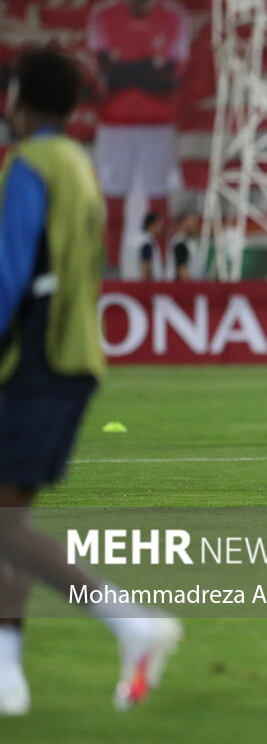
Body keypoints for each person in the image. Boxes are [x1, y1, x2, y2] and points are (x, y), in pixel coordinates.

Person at [0, 48, 180, 715]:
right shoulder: (80, 164)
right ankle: (8, 676)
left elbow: (10, 271)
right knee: (8, 516)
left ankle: (130, 621)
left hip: (36, 357)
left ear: (16, 98)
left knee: (5, 525)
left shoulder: (29, 166)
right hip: (75, 354)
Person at [88, 0, 189, 276]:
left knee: (160, 199)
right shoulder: (103, 16)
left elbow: (170, 77)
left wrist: (125, 67)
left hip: (158, 125)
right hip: (114, 125)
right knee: (111, 200)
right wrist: (149, 65)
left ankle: (161, 268)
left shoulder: (175, 18)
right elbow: (106, 71)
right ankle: (112, 267)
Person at [168, 211, 202, 281]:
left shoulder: (189, 241)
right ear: (183, 222)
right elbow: (182, 271)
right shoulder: (180, 242)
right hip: (185, 287)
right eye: (192, 220)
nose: (196, 223)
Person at [137, 211, 166, 281]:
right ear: (151, 225)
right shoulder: (147, 243)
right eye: (159, 222)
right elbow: (145, 267)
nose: (162, 225)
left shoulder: (140, 240)